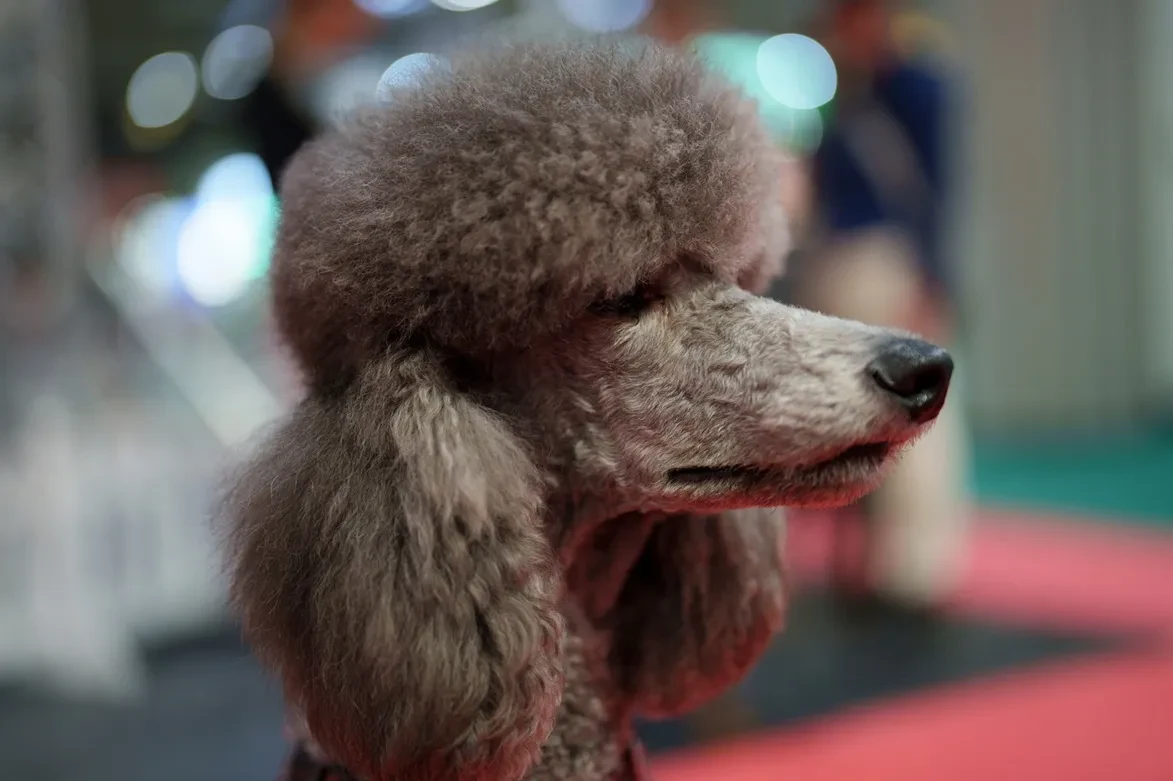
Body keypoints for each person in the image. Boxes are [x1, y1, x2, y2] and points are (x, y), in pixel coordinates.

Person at [795, 0, 970, 615]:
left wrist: (933, 275)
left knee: (925, 419)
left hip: (890, 264)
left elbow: (938, 188)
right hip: (838, 268)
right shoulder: (841, 94)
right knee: (852, 418)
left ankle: (920, 569)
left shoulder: (918, 86)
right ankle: (865, 562)